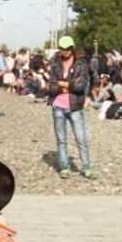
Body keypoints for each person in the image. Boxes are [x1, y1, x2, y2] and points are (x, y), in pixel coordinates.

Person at [48, 36, 93, 179]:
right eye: (62, 48)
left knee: (81, 139)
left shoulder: (81, 64)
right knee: (61, 140)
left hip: (75, 107)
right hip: (58, 107)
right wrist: (69, 85)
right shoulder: (55, 64)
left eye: (67, 49)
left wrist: (63, 83)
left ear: (72, 49)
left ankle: (86, 167)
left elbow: (81, 86)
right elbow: (52, 86)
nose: (65, 51)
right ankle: (64, 167)